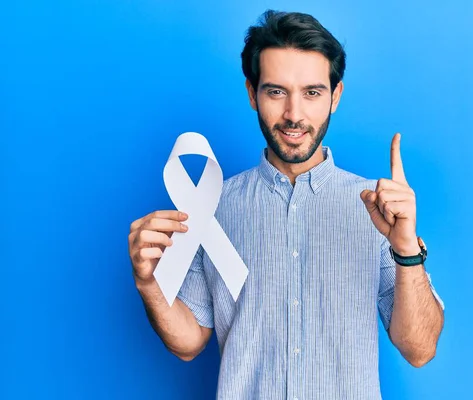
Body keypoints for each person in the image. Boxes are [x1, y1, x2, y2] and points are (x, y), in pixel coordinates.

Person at [128, 9, 445, 400]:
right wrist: (149, 284)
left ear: (335, 96)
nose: (294, 115)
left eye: (312, 92)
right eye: (276, 91)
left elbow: (419, 349)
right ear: (252, 93)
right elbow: (189, 340)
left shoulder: (380, 212)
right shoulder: (212, 207)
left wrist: (406, 249)